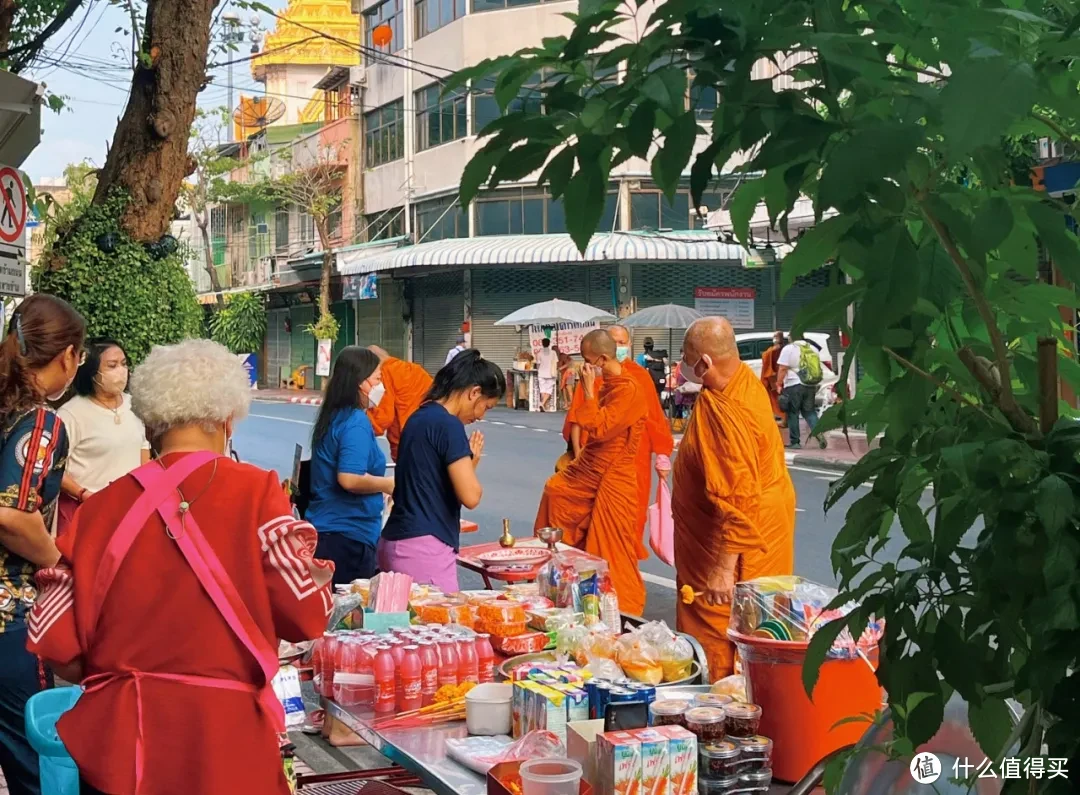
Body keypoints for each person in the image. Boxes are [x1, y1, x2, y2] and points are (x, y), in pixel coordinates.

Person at [27, 339, 334, 795]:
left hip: (122, 750)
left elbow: (55, 641)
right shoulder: (258, 494)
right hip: (225, 749)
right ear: (227, 420)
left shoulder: (97, 511)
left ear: (150, 423)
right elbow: (306, 613)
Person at [672, 317, 796, 678]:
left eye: (686, 356)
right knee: (757, 624)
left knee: (722, 630)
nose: (682, 362)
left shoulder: (725, 411)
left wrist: (723, 570)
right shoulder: (742, 384)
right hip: (767, 525)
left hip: (734, 544)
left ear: (705, 364)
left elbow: (737, 495)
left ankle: (720, 711)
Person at [0, 294, 85, 795]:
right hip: (11, 615)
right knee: (32, 765)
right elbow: (11, 515)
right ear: (68, 356)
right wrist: (60, 564)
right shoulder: (41, 422)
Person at [534, 329, 649, 615]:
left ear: (601, 358)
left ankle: (622, 609)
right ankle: (562, 577)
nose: (584, 366)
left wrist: (586, 391)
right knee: (556, 489)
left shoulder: (629, 388)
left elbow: (601, 426)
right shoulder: (610, 382)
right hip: (591, 465)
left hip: (613, 475)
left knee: (611, 550)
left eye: (587, 360)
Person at [379, 350, 505, 593]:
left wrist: (469, 461)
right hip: (424, 548)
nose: (480, 416)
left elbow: (438, 484)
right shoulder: (449, 425)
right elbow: (470, 496)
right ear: (474, 392)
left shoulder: (420, 417)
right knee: (438, 625)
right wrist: (470, 462)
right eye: (485, 407)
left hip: (395, 541)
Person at [307, 347, 393, 585]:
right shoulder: (355, 421)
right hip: (347, 538)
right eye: (377, 378)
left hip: (329, 532)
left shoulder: (335, 415)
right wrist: (389, 484)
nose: (381, 384)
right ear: (361, 382)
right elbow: (349, 478)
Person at [56, 339, 150, 536]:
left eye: (124, 364)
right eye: (112, 366)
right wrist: (83, 494)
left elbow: (143, 447)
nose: (121, 371)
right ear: (92, 372)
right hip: (85, 512)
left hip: (129, 512)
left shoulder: (135, 405)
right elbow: (54, 466)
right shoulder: (71, 414)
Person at [608, 326, 673, 570]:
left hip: (636, 459)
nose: (619, 346)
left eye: (623, 341)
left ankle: (626, 570)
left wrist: (663, 453)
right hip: (602, 463)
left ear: (630, 344)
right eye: (614, 342)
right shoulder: (595, 376)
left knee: (632, 518)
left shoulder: (640, 375)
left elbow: (654, 417)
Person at [365, 345, 433, 462]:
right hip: (432, 438)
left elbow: (382, 420)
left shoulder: (385, 374)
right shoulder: (416, 370)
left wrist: (358, 423)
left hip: (408, 445)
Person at [776, 331, 826, 449]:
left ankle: (795, 442)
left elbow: (783, 368)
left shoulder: (789, 349)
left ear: (791, 337)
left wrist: (779, 384)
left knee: (793, 413)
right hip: (809, 384)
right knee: (809, 411)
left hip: (794, 384)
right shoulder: (813, 348)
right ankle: (818, 433)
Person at [760, 332, 787, 428]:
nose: (774, 339)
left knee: (778, 399)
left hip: (774, 376)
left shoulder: (775, 350)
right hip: (780, 376)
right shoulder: (783, 349)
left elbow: (766, 357)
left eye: (775, 337)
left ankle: (783, 419)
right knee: (778, 399)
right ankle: (782, 419)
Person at [535, 337, 558, 411]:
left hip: (541, 373)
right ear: (549, 344)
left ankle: (542, 404)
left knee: (542, 389)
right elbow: (556, 362)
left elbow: (538, 364)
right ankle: (542, 403)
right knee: (549, 390)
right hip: (550, 374)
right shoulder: (553, 353)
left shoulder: (539, 353)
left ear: (542, 344)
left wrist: (539, 370)